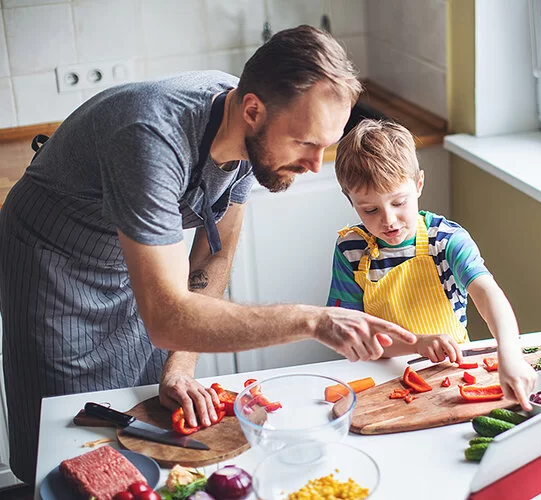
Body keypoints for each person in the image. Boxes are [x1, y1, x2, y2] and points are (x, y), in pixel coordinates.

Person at [0, 26, 416, 484]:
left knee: (137, 419)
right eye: (305, 143)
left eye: (326, 144)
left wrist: (180, 363)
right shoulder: (149, 139)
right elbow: (165, 316)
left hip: (131, 263)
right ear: (253, 110)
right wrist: (313, 320)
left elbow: (212, 257)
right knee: (72, 442)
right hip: (55, 267)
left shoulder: (249, 133)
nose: (317, 165)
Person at [327, 119, 537, 410]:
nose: (388, 220)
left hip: (453, 372)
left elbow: (488, 294)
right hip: (380, 379)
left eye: (398, 202)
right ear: (351, 201)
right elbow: (350, 335)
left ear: (419, 185)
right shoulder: (350, 250)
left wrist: (509, 353)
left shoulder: (446, 240)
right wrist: (417, 343)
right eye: (370, 209)